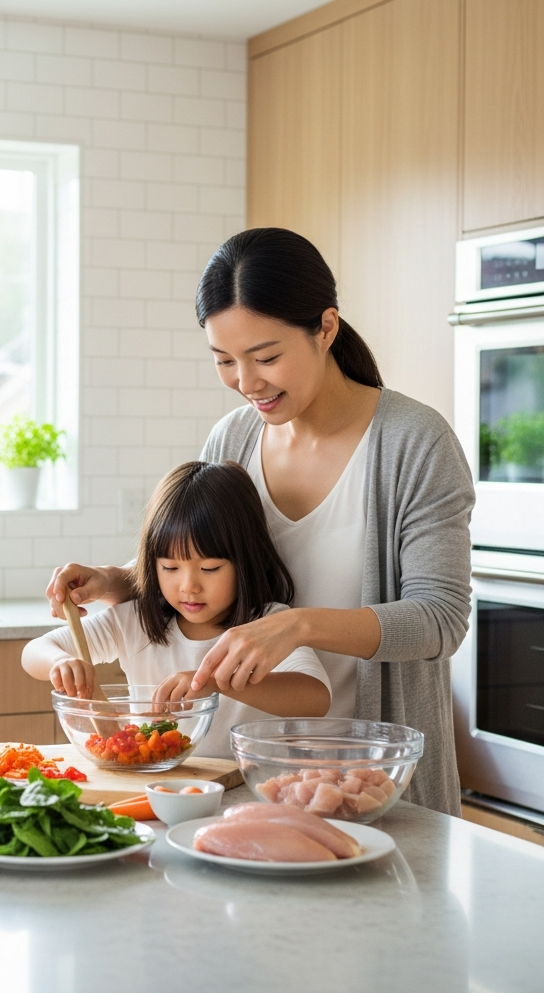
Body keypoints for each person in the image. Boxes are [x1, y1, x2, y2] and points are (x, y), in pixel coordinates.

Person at [47, 228, 474, 816]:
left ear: (325, 328)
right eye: (224, 360)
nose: (247, 383)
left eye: (267, 357)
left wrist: (297, 627)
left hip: (366, 786)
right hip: (251, 782)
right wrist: (121, 579)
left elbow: (439, 620)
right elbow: (208, 556)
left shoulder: (413, 442)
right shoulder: (235, 436)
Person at [23, 460, 331, 758]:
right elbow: (35, 651)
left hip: (243, 789)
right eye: (170, 567)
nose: (189, 586)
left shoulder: (266, 625)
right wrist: (60, 662)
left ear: (245, 562)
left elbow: (316, 698)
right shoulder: (137, 619)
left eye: (210, 568)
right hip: (155, 784)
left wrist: (211, 681)